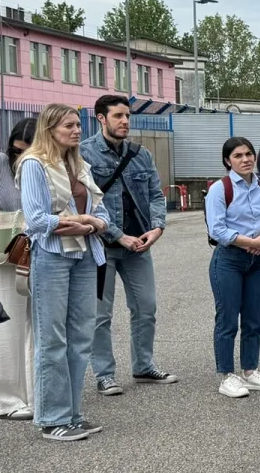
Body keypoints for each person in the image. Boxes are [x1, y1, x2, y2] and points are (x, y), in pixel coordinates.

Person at [20, 103, 112, 442]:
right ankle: (52, 418)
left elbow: (103, 213)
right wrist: (84, 221)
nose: (76, 131)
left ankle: (72, 413)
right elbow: (36, 220)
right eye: (68, 126)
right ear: (49, 129)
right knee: (52, 338)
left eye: (77, 125)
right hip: (52, 257)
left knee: (82, 336)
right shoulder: (34, 164)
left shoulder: (78, 164)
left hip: (86, 254)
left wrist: (90, 223)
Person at [81, 94, 176, 394]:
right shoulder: (83, 154)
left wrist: (157, 228)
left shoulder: (141, 154)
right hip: (101, 247)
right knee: (101, 315)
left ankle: (143, 366)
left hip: (138, 246)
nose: (125, 122)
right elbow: (87, 204)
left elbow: (156, 194)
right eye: (118, 116)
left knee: (146, 308)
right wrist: (117, 235)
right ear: (101, 118)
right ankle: (104, 374)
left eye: (127, 116)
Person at [206, 136, 260, 400]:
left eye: (249, 154)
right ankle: (226, 375)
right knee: (227, 319)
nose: (246, 159)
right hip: (229, 260)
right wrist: (252, 242)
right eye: (238, 155)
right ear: (228, 161)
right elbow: (216, 229)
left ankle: (250, 370)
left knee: (254, 318)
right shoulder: (220, 189)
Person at [0, 117, 37, 420]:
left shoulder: (48, 164)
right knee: (5, 325)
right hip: (3, 251)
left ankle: (38, 394)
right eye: (16, 151)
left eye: (28, 151)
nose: (20, 157)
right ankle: (6, 401)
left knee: (38, 325)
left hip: (39, 249)